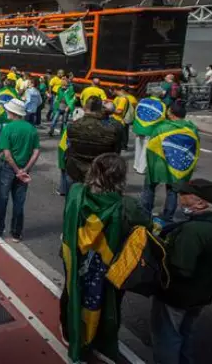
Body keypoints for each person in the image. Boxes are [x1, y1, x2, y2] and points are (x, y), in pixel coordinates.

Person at [60, 153, 150, 363]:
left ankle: (69, 331)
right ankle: (99, 339)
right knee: (107, 301)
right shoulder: (126, 205)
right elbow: (144, 227)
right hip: (107, 264)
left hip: (75, 256)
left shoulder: (75, 193)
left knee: (71, 291)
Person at [151, 179, 212, 364]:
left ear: (201, 203)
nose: (180, 199)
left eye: (184, 195)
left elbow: (179, 268)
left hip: (178, 296)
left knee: (167, 338)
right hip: (202, 292)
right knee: (185, 335)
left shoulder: (193, 232)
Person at [142, 101, 199, 221]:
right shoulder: (193, 129)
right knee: (172, 191)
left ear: (170, 113)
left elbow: (151, 148)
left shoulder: (162, 128)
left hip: (160, 163)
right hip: (177, 166)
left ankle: (145, 214)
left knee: (149, 187)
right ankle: (167, 217)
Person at [0, 98, 40, 241]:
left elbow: (6, 154)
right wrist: (24, 169)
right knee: (19, 202)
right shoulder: (31, 129)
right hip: (24, 168)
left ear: (12, 112)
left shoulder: (8, 128)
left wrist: (15, 170)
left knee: (3, 199)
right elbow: (36, 152)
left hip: (9, 168)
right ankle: (16, 232)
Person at [132, 94, 167, 174]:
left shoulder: (142, 100)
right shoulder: (162, 105)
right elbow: (162, 118)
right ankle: (141, 168)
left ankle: (136, 165)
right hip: (151, 129)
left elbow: (136, 111)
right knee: (146, 150)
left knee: (138, 147)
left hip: (138, 127)